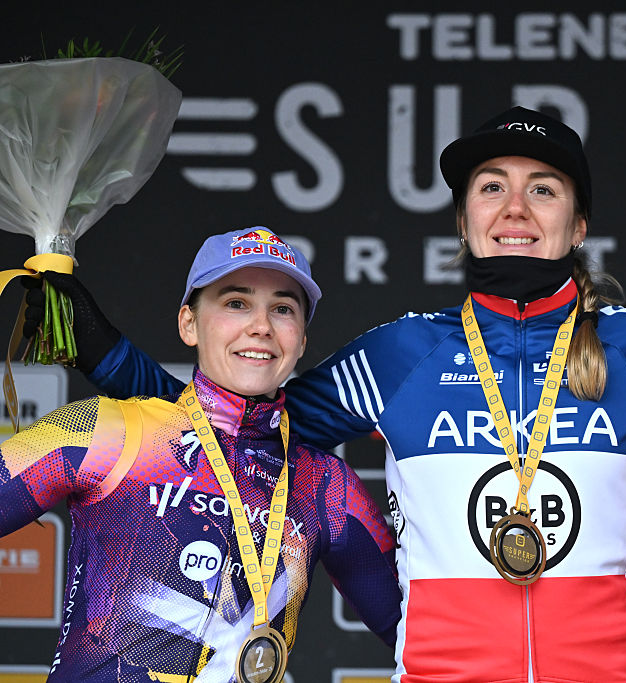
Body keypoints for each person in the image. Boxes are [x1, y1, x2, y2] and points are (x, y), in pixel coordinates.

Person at [31, 107, 626, 681]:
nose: (515, 208)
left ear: (580, 224)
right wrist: (104, 352)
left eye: (543, 189)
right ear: (463, 219)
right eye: (491, 187)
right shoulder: (401, 355)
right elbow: (232, 427)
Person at [2, 227, 402, 682]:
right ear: (188, 324)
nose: (261, 326)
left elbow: (421, 631)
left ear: (302, 340)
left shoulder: (326, 486)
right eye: (236, 303)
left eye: (283, 309)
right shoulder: (105, 431)